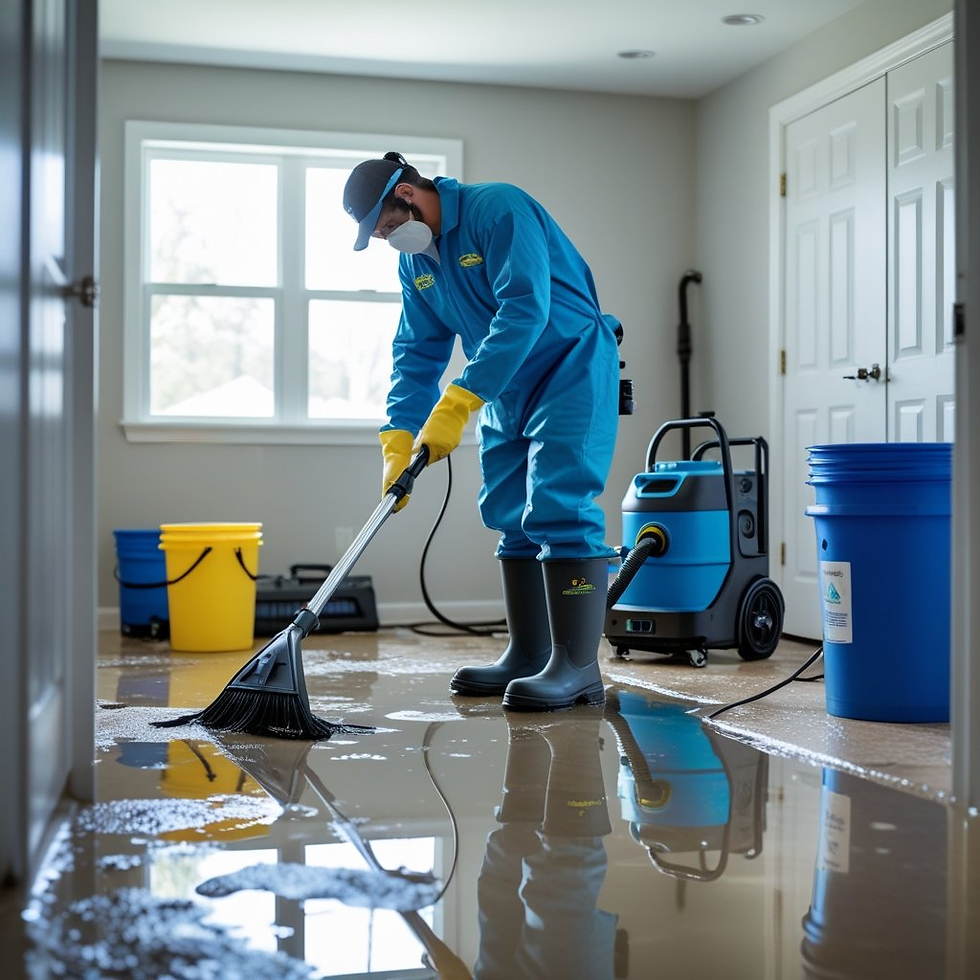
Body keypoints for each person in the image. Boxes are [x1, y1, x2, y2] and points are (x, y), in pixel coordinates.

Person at [343, 151, 621, 711]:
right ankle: (527, 652)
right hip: (502, 386)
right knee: (508, 511)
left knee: (559, 507)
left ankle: (577, 665)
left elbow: (525, 309)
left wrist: (461, 398)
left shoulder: (499, 208)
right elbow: (417, 349)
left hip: (568, 365)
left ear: (407, 193)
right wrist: (397, 434)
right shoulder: (416, 262)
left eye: (387, 226)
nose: (387, 240)